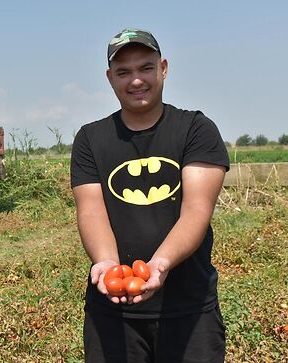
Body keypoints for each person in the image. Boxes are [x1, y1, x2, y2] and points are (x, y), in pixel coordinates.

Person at [70, 29, 229, 363]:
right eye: (124, 72)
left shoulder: (196, 130)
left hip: (189, 311)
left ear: (164, 68)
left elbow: (196, 211)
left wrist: (160, 264)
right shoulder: (90, 139)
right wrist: (107, 263)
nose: (136, 80)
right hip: (112, 314)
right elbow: (91, 211)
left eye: (145, 67)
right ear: (110, 78)